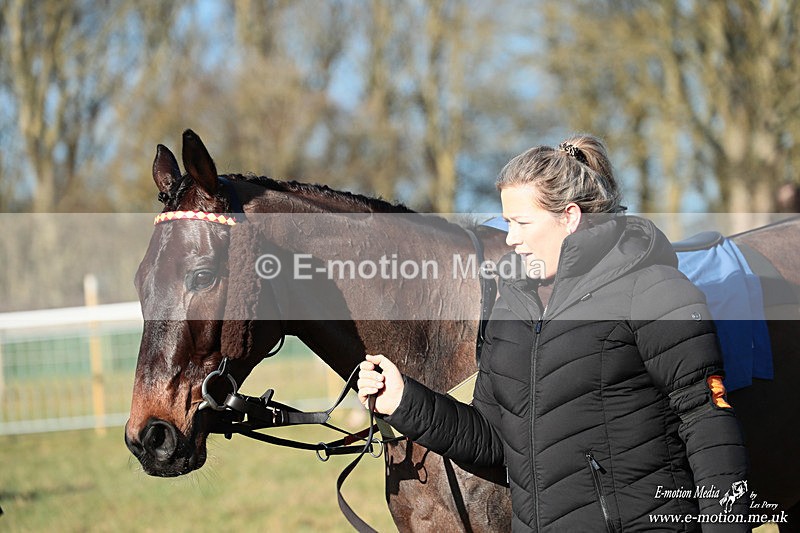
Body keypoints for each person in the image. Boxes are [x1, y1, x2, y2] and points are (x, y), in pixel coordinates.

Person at [358, 134, 749, 532]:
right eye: (508, 222)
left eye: (522, 223)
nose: (511, 239)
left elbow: (709, 429)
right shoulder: (513, 310)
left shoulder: (655, 291)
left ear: (570, 217)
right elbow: (494, 440)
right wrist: (405, 401)